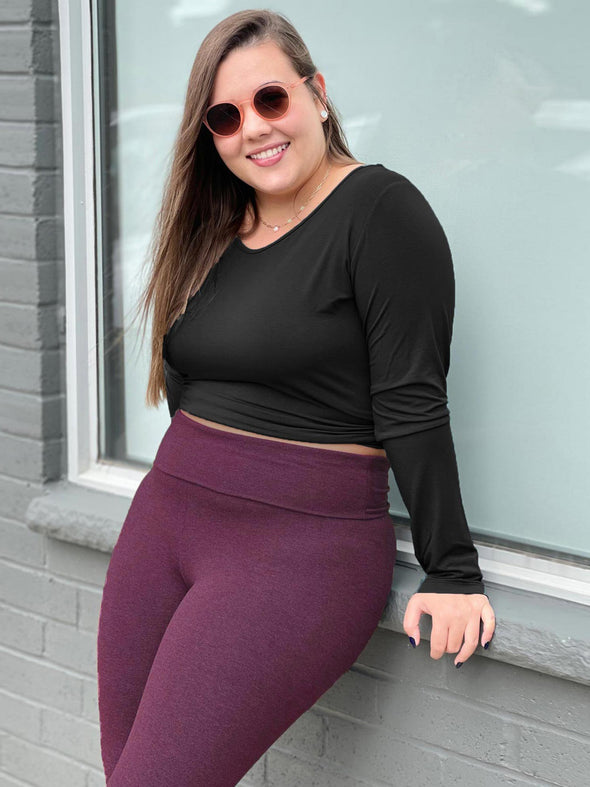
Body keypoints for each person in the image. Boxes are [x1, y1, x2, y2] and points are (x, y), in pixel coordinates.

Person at [96, 8, 496, 786]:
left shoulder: (380, 211)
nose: (254, 128)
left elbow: (412, 396)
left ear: (317, 94)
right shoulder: (217, 227)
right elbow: (188, 383)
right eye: (226, 116)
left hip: (297, 548)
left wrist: (452, 570)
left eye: (271, 99)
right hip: (165, 521)